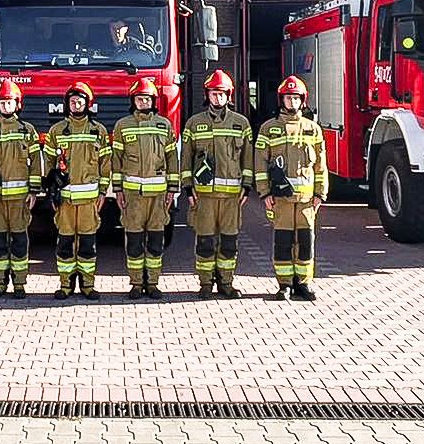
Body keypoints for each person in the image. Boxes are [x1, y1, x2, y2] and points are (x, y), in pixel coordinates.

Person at [178, 69, 252, 298]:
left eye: (221, 94)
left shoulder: (241, 124)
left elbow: (248, 159)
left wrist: (247, 186)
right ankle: (205, 284)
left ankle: (226, 283)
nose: (218, 98)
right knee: (205, 242)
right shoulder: (193, 123)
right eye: (213, 94)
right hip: (204, 197)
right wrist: (187, 188)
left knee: (229, 242)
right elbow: (186, 159)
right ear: (207, 95)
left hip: (231, 197)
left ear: (229, 95)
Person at [254, 74, 328, 302]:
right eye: (288, 98)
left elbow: (320, 165)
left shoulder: (313, 129)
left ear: (302, 100)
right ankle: (284, 284)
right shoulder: (268, 128)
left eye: (296, 98)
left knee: (305, 242)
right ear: (281, 100)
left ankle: (303, 283)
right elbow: (260, 163)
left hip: (306, 200)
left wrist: (320, 193)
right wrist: (264, 192)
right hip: (281, 199)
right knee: (283, 242)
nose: (292, 102)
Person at [110, 76, 178, 298]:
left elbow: (172, 159)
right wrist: (118, 190)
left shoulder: (164, 125)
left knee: (156, 241)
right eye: (139, 99)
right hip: (133, 197)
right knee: (134, 241)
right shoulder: (122, 126)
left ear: (154, 101)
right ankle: (137, 283)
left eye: (147, 99)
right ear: (133, 101)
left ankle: (153, 283)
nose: (143, 102)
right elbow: (116, 160)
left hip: (158, 197)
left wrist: (172, 189)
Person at [42, 82, 111, 299]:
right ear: (67, 104)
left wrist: (103, 192)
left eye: (80, 101)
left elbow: (105, 164)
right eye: (72, 101)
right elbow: (48, 162)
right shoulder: (56, 131)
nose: (76, 104)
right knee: (65, 244)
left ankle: (88, 285)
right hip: (65, 201)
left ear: (88, 104)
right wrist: (51, 190)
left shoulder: (98, 131)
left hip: (90, 201)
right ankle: (66, 285)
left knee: (88, 245)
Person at [0, 78, 42, 298]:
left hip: (20, 200)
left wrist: (33, 190)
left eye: (10, 102)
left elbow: (36, 163)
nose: (6, 106)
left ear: (17, 104)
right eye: (2, 102)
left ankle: (20, 284)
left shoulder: (28, 131)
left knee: (20, 242)